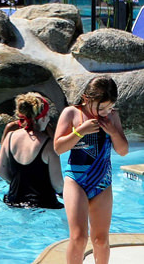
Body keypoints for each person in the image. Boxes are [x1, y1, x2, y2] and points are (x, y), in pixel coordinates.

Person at [54, 76, 129, 264]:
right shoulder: (72, 113)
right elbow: (58, 148)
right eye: (101, 107)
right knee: (79, 237)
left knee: (101, 240)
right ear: (87, 99)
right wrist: (80, 131)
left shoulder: (112, 117)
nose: (105, 112)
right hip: (76, 181)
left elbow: (123, 151)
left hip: (102, 182)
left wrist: (113, 131)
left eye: (109, 107)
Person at [0, 93, 63, 209]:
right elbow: (58, 185)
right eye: (47, 115)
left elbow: (2, 172)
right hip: (44, 204)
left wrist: (20, 183)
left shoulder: (10, 137)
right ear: (42, 118)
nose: (48, 119)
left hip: (14, 201)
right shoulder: (48, 145)